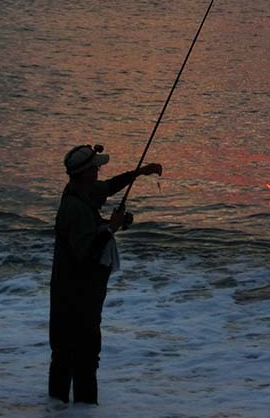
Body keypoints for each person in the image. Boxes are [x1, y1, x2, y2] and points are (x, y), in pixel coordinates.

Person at [49, 143, 162, 404]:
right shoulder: (75, 207)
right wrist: (111, 227)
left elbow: (109, 187)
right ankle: (83, 408)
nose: (99, 171)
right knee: (83, 357)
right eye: (96, 167)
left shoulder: (82, 192)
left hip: (72, 294)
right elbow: (86, 255)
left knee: (65, 356)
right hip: (77, 296)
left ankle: (56, 408)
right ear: (86, 172)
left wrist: (140, 172)